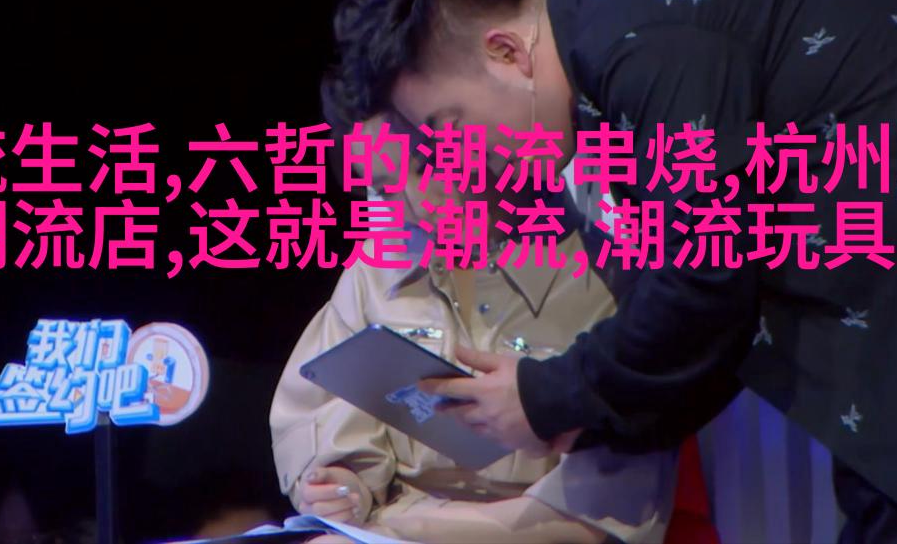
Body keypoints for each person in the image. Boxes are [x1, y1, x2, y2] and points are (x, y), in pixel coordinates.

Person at [319, 0, 897, 542]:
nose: (460, 158)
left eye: (449, 126)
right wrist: (579, 414)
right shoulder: (605, 95)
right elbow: (709, 329)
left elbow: (704, 281)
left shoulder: (644, 39)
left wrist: (546, 394)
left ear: (505, 53)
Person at [268, 116, 685, 543]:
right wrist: (344, 487)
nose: (419, 204)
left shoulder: (607, 281)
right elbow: (325, 420)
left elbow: (596, 515)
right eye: (388, 188)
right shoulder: (374, 273)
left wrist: (402, 523)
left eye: (428, 168)